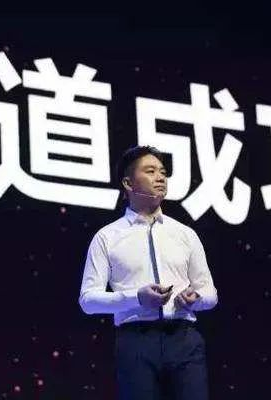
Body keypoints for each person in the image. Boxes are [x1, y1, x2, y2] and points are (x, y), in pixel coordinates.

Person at [78, 145, 218, 400]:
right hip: (136, 341)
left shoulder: (185, 234)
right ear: (128, 183)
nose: (160, 178)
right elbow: (88, 301)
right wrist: (137, 298)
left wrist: (196, 299)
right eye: (150, 171)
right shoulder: (107, 237)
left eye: (163, 172)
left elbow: (210, 293)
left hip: (184, 338)